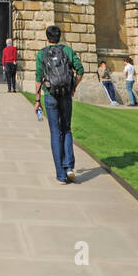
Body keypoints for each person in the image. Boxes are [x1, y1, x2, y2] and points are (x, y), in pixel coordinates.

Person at [35, 24, 85, 185]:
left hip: (50, 95)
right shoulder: (67, 51)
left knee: (55, 132)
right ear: (59, 36)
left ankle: (61, 175)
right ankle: (69, 166)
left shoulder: (42, 54)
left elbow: (38, 78)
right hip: (65, 95)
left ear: (46, 37)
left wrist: (37, 100)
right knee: (66, 129)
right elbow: (80, 70)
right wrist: (73, 88)